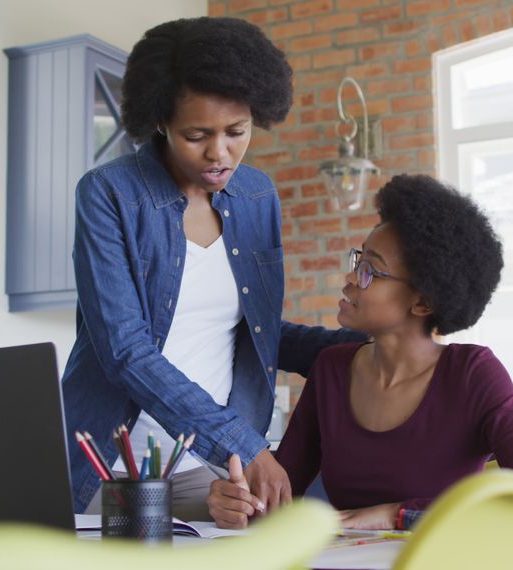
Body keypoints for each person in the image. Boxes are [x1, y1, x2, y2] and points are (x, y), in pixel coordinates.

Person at [61, 16, 362, 521]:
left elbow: (255, 332)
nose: (220, 154)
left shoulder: (257, 195)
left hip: (211, 471)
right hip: (114, 465)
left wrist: (363, 349)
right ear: (160, 121)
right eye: (196, 135)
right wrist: (244, 443)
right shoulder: (109, 193)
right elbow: (125, 351)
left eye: (236, 132)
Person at [207, 174, 513, 531]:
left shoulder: (472, 374)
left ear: (423, 301)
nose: (350, 279)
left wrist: (398, 514)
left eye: (370, 271)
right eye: (357, 262)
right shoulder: (331, 370)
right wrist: (241, 504)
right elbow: (278, 498)